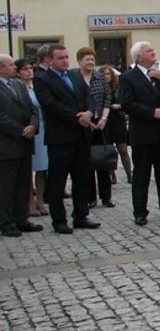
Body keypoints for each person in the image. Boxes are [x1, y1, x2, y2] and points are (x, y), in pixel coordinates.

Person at [34, 44, 100, 234]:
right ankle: (59, 220)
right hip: (60, 137)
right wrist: (77, 117)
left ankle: (81, 215)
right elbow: (51, 105)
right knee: (57, 181)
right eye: (60, 58)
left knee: (82, 177)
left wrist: (89, 112)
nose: (65, 60)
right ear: (50, 59)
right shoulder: (43, 79)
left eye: (66, 57)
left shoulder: (75, 75)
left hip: (81, 135)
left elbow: (89, 96)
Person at [119, 41, 160, 226]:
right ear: (139, 56)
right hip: (143, 133)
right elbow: (126, 103)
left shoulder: (158, 75)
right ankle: (140, 211)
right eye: (149, 51)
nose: (153, 53)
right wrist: (151, 112)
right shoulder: (128, 77)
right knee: (141, 174)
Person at [0, 54, 42, 237]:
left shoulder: (19, 85)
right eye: (10, 65)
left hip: (25, 142)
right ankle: (6, 222)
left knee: (23, 183)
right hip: (7, 144)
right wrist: (20, 130)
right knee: (6, 185)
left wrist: (33, 125)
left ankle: (21, 218)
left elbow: (33, 109)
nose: (14, 68)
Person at [73, 47, 114, 209]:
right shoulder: (75, 78)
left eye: (92, 59)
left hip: (101, 122)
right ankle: (90, 197)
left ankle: (106, 197)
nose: (90, 62)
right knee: (86, 161)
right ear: (79, 61)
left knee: (103, 160)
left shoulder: (99, 78)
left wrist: (103, 118)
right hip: (83, 123)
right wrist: (86, 120)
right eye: (87, 59)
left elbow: (107, 99)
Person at [16, 59, 48, 217]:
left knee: (42, 168)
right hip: (27, 130)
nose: (29, 71)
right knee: (27, 169)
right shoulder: (18, 88)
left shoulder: (38, 87)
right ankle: (29, 202)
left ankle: (40, 200)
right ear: (18, 72)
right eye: (25, 69)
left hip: (43, 129)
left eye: (30, 68)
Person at [99, 65, 133, 184]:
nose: (106, 76)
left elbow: (126, 102)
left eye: (108, 74)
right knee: (108, 150)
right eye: (103, 74)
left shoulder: (118, 87)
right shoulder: (100, 88)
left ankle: (129, 174)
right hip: (106, 121)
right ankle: (112, 175)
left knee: (123, 149)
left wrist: (119, 106)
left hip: (118, 119)